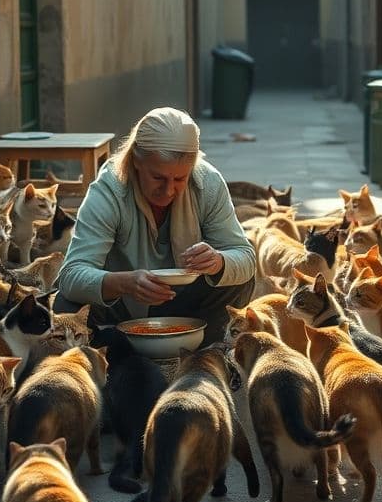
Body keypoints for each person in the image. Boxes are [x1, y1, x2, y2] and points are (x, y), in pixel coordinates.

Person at [54, 106, 255, 345]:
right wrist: (124, 283)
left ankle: (202, 353)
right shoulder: (110, 189)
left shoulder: (207, 183)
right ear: (136, 161)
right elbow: (72, 273)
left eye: (180, 179)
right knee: (66, 304)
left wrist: (218, 261)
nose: (169, 190)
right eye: (158, 178)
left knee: (237, 279)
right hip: (122, 307)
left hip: (185, 306)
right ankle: (113, 352)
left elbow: (245, 257)